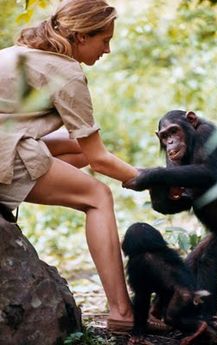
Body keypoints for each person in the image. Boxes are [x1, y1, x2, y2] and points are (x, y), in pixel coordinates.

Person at [0, 0, 137, 331]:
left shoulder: (17, 53)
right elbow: (100, 159)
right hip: (5, 149)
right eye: (104, 39)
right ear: (80, 37)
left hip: (9, 138)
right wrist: (148, 178)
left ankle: (24, 186)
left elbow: (86, 150)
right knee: (98, 196)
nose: (108, 49)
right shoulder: (66, 72)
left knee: (77, 149)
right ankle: (122, 313)